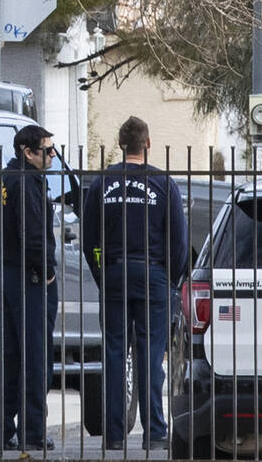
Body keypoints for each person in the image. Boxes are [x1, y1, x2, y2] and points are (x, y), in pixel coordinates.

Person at [82, 116, 188, 450]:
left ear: (120, 144)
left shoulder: (103, 182)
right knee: (151, 353)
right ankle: (154, 431)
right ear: (149, 143)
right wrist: (170, 279)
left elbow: (89, 238)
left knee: (115, 353)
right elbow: (179, 241)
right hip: (153, 274)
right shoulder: (162, 183)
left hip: (114, 272)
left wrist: (103, 274)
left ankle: (114, 435)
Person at [0, 123, 59, 452]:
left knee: (10, 356)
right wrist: (47, 272)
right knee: (36, 356)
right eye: (47, 149)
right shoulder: (27, 182)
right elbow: (33, 234)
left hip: (8, 273)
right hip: (30, 277)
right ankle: (33, 432)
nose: (52, 155)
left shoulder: (0, 179)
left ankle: (1, 428)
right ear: (27, 152)